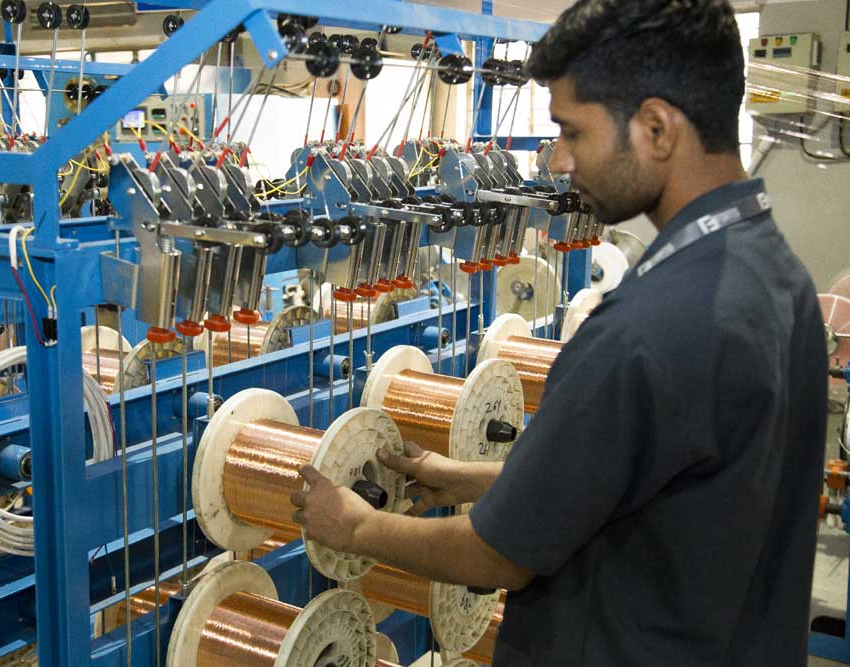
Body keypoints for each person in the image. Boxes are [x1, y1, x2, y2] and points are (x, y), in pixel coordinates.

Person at [291, 0, 829, 665]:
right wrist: (461, 477)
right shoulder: (780, 280)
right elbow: (639, 484)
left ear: (657, 128)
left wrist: (356, 524)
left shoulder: (644, 331)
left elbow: (497, 556)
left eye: (572, 132)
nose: (558, 159)